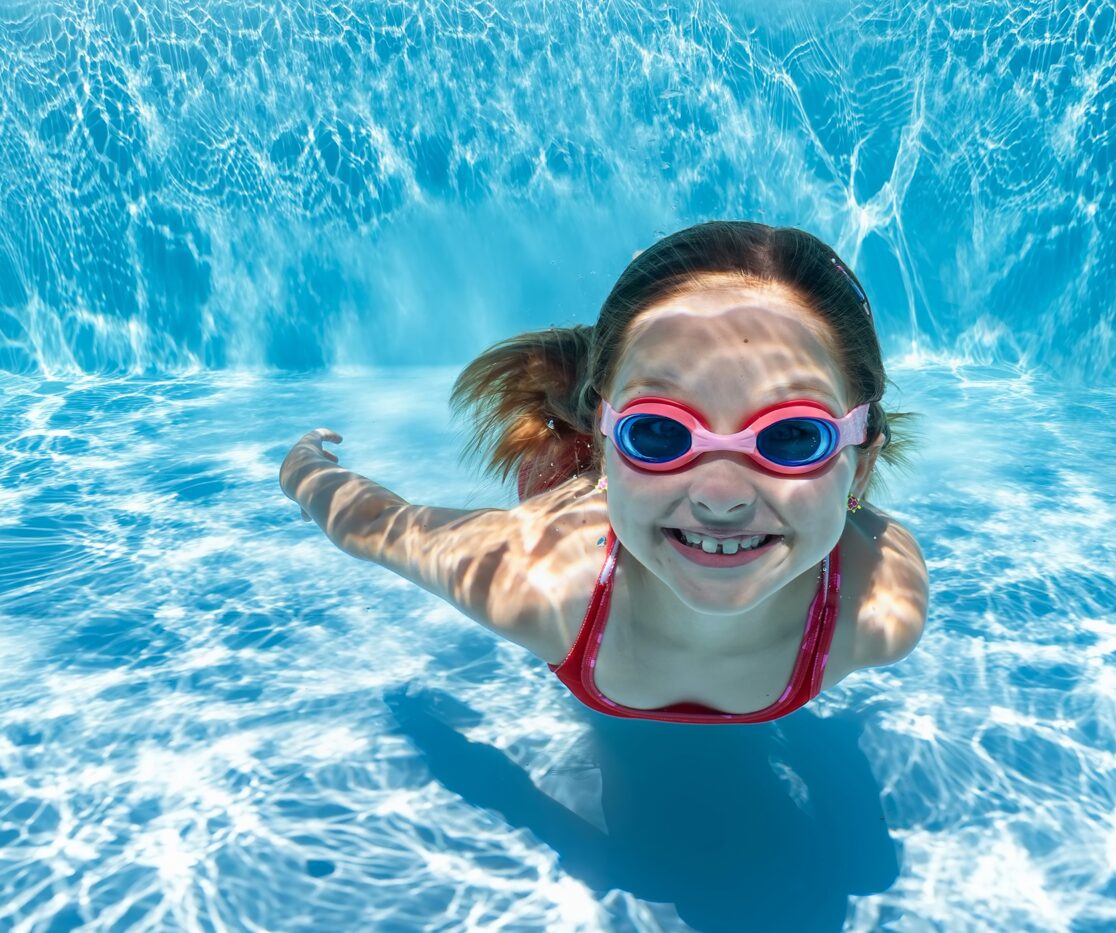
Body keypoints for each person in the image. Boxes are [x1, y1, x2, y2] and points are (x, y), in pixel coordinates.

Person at [280, 221, 929, 724]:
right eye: (659, 428)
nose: (721, 495)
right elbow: (376, 525)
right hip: (579, 497)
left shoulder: (878, 608)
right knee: (548, 463)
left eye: (793, 437)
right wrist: (303, 470)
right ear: (604, 438)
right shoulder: (535, 581)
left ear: (862, 464)